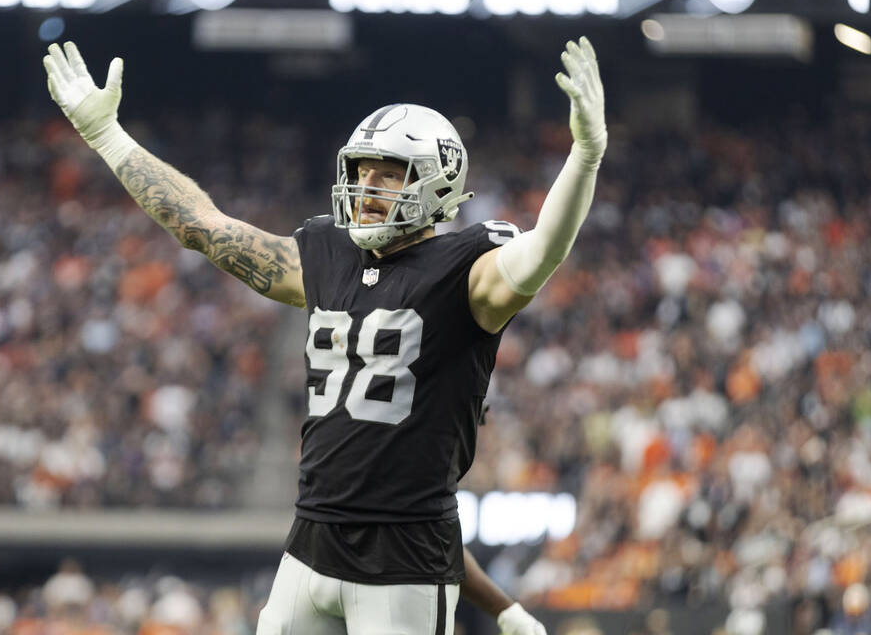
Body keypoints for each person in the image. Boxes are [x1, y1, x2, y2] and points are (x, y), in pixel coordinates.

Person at [42, 35, 609, 635]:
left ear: (437, 182)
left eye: (388, 175)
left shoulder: (466, 271)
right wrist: (108, 136)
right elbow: (203, 227)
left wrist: (586, 155)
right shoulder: (328, 254)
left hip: (405, 568)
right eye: (360, 171)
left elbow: (543, 251)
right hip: (309, 544)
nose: (366, 189)